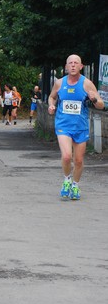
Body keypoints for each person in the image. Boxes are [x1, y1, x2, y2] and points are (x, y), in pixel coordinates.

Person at [48, 54, 104, 200]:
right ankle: (67, 180)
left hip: (80, 126)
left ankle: (75, 184)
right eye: (70, 63)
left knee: (78, 160)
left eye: (76, 63)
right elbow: (52, 96)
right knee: (67, 156)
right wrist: (51, 105)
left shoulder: (87, 84)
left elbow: (101, 105)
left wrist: (94, 99)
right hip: (63, 125)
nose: (73, 65)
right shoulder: (59, 83)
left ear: (81, 66)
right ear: (66, 67)